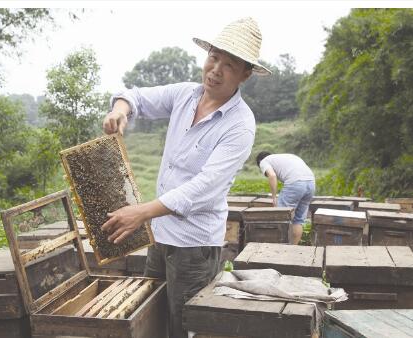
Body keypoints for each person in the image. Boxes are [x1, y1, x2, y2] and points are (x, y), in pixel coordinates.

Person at [101, 17, 271, 338]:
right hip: (160, 234)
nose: (216, 70)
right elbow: (134, 96)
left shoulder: (240, 124)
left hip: (194, 247)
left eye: (229, 65)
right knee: (149, 321)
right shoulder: (184, 94)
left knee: (184, 328)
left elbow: (204, 188)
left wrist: (141, 212)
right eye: (213, 57)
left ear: (245, 74)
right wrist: (120, 111)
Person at [256, 151, 315, 245]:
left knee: (281, 217)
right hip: (311, 183)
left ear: (259, 162)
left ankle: (280, 250)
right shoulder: (287, 156)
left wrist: (274, 197)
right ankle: (292, 249)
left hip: (296, 183)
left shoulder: (264, 161)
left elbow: (272, 175)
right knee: (298, 220)